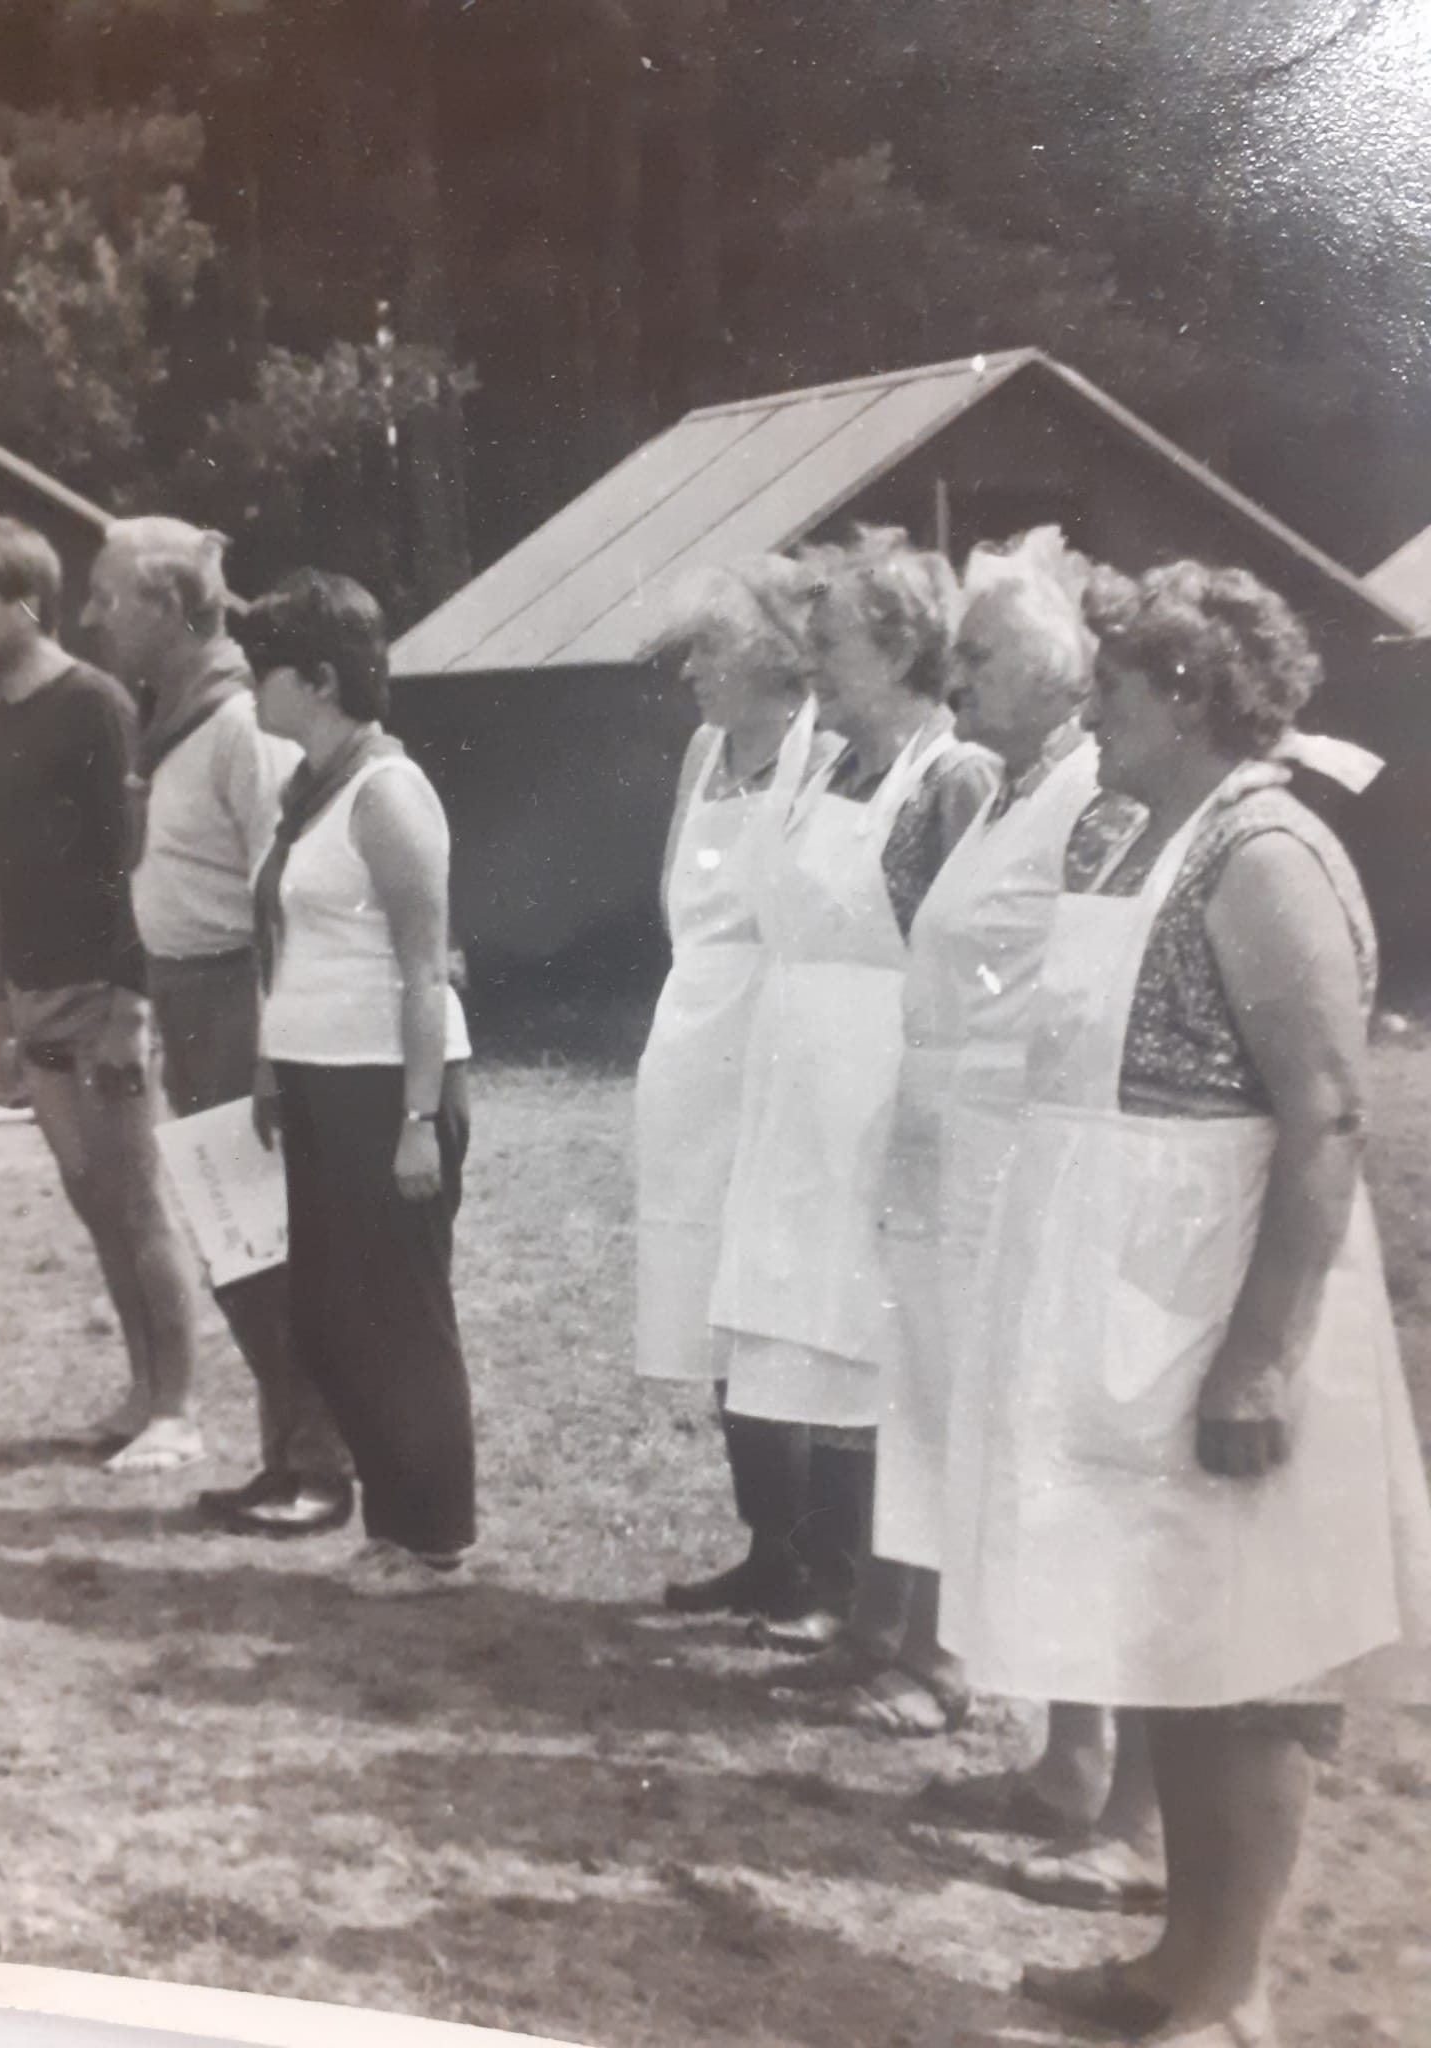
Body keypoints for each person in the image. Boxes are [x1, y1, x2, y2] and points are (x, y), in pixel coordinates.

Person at [937, 562, 1431, 2048]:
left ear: (1188, 694)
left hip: (1225, 1290)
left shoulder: (1267, 853)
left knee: (1251, 1647)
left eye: (1111, 687)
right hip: (1122, 1287)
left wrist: (1264, 1358)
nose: (1088, 710)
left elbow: (1328, 1113)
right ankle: (1176, 1958)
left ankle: (1233, 1989)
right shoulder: (1128, 831)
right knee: (1162, 1626)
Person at [876, 532, 1164, 1894]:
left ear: (1060, 672)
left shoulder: (1096, 800)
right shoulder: (1002, 789)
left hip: (1025, 1148)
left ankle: (1090, 1757)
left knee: (1047, 1439)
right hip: (956, 1135)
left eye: (983, 657)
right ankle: (1064, 1747)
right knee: (981, 1427)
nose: (958, 678)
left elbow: (1088, 988)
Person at [712, 527, 996, 1656]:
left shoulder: (952, 777)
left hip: (884, 1084)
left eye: (830, 643)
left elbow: (974, 962)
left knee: (876, 1340)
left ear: (902, 646)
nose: (810, 663)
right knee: (811, 1336)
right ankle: (836, 1583)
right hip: (797, 1080)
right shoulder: (827, 767)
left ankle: (895, 1612)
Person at [83, 517, 352, 1536]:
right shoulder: (177, 722)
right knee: (237, 1245)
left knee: (266, 1241)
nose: (94, 618)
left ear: (166, 605)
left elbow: (288, 892)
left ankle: (322, 1465)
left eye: (109, 598)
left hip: (241, 1002)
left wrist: (273, 1043)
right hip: (191, 1002)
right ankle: (288, 1453)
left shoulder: (240, 724)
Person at [0, 515, 203, 1474]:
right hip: (38, 1000)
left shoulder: (94, 704)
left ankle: (178, 1411)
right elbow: (1, 875)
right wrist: (6, 1008)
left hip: (104, 997)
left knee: (136, 1200)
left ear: (25, 602)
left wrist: (133, 1004)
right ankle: (139, 1393)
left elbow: (133, 860)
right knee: (91, 1198)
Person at [239, 569, 477, 1596]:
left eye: (267, 670)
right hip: (319, 1078)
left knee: (401, 1319)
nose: (252, 687)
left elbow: (426, 969)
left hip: (389, 1085)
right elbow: (289, 945)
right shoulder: (311, 787)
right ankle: (394, 1522)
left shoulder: (388, 792)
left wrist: (419, 1117)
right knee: (333, 1316)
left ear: (321, 681)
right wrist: (271, 1064)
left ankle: (438, 1537)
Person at [634, 558, 830, 1620]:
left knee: (785, 1297)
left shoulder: (825, 750)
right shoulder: (704, 753)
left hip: (781, 1046)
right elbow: (676, 901)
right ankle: (768, 1542)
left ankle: (823, 1558)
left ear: (771, 652)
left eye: (709, 648)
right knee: (714, 1300)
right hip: (694, 1046)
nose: (691, 672)